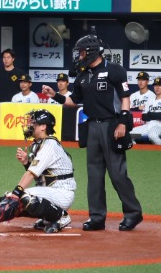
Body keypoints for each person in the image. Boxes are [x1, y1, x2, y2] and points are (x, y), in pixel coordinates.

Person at [42, 34, 143, 232]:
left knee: (117, 174)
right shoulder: (83, 75)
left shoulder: (115, 70)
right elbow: (73, 101)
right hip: (92, 127)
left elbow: (125, 97)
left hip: (113, 125)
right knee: (94, 175)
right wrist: (55, 96)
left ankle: (133, 213)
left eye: (81, 52)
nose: (79, 56)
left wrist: (123, 122)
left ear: (91, 52)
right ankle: (97, 217)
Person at [0, 109, 75, 233]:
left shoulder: (50, 145)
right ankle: (48, 216)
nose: (29, 125)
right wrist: (26, 163)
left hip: (62, 193)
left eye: (33, 123)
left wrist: (16, 193)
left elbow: (31, 174)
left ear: (43, 127)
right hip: (50, 191)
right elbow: (41, 176)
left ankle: (61, 216)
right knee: (6, 198)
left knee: (22, 197)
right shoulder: (39, 144)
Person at [131, 77, 161, 145]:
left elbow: (152, 115)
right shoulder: (150, 100)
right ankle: (138, 152)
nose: (157, 87)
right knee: (128, 135)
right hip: (148, 125)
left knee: (152, 135)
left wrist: (150, 114)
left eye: (159, 85)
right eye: (155, 85)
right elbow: (144, 117)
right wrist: (157, 115)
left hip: (159, 126)